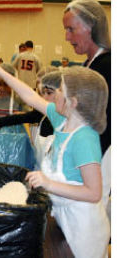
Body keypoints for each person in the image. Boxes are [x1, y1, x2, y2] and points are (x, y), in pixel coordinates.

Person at [0, 62, 110, 258]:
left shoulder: (84, 138)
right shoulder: (63, 121)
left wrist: (48, 183)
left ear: (73, 102)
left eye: (60, 89)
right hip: (64, 216)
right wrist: (1, 73)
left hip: (83, 228)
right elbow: (30, 96)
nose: (55, 93)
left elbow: (93, 193)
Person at [63, 0, 111, 211]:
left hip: (101, 160)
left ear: (91, 26)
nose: (67, 37)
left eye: (71, 29)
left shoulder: (108, 66)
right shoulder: (89, 65)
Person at [0, 70, 61, 169]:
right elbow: (20, 118)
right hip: (40, 170)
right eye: (42, 93)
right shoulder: (42, 114)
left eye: (49, 93)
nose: (44, 97)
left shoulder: (63, 119)